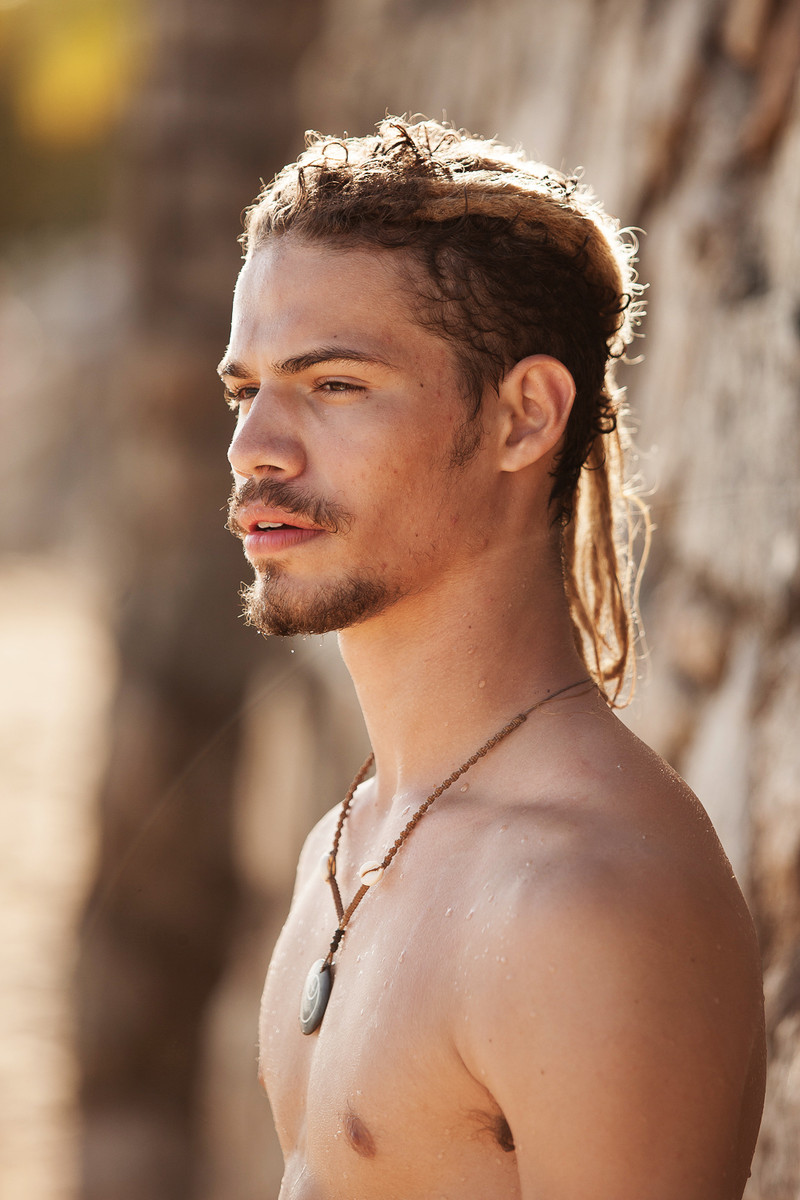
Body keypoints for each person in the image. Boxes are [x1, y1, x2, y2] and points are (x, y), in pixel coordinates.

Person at [220, 117, 765, 1200]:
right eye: (245, 392)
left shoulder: (588, 901)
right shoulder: (348, 838)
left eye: (333, 385)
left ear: (523, 417)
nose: (253, 451)